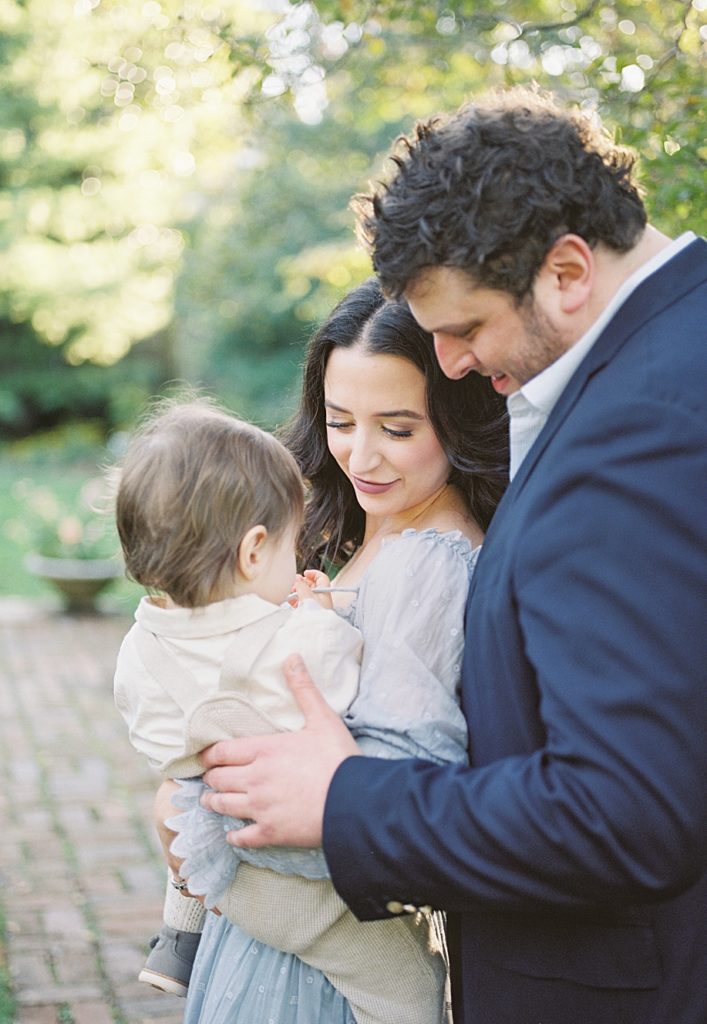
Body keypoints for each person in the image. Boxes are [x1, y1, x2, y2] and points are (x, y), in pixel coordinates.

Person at [196, 86, 707, 1024]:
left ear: (565, 271)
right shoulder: (674, 351)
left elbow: (623, 814)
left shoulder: (641, 427)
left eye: (463, 328)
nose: (453, 363)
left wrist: (346, 799)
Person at [151, 280, 509, 1024]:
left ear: (457, 417)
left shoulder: (427, 564)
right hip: (271, 929)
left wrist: (210, 822)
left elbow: (392, 791)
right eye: (340, 420)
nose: (361, 455)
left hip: (318, 958)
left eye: (398, 428)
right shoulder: (346, 528)